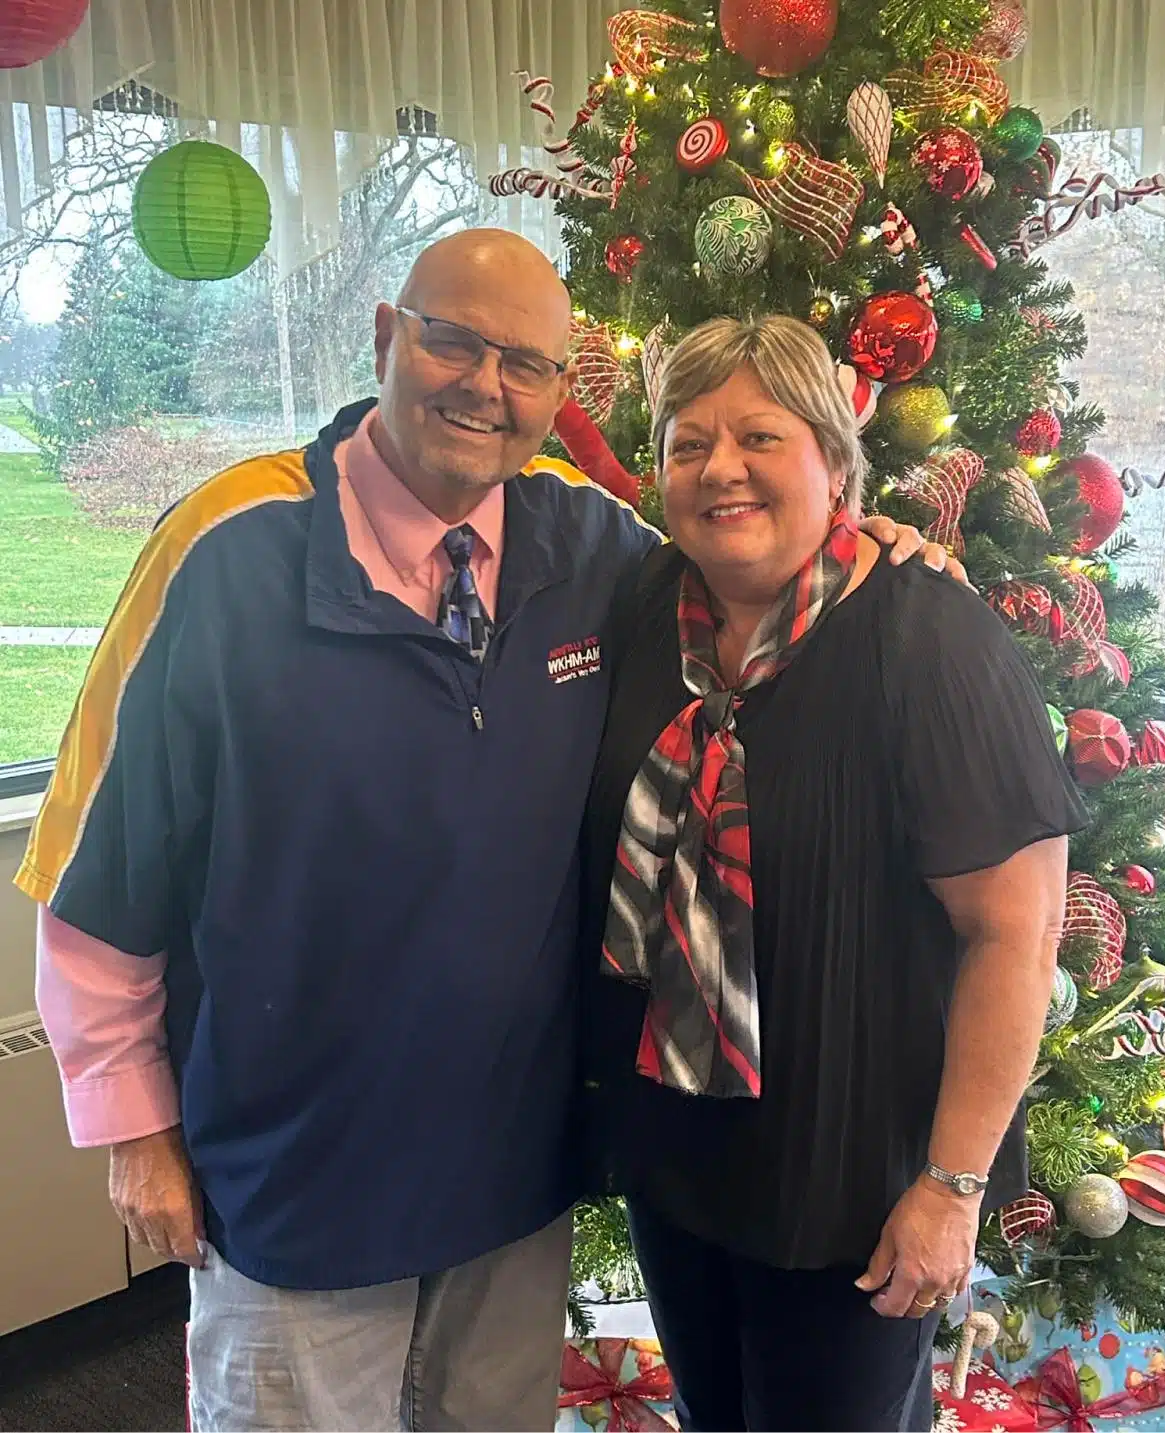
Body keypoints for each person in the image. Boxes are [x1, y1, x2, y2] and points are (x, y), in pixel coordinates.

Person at [19, 231, 955, 1432]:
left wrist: (867, 545)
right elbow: (103, 866)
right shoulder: (228, 554)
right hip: (299, 1179)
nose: (484, 384)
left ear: (561, 395)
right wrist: (135, 1129)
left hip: (510, 1176)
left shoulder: (589, 549)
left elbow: (747, 561)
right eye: (452, 339)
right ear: (383, 338)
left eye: (526, 362)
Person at [580, 315, 1088, 1433]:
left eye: (760, 434)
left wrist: (951, 1189)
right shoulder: (641, 605)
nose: (721, 467)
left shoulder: (928, 636)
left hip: (854, 1182)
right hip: (683, 1153)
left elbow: (1016, 929)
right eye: (687, 441)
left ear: (833, 455)